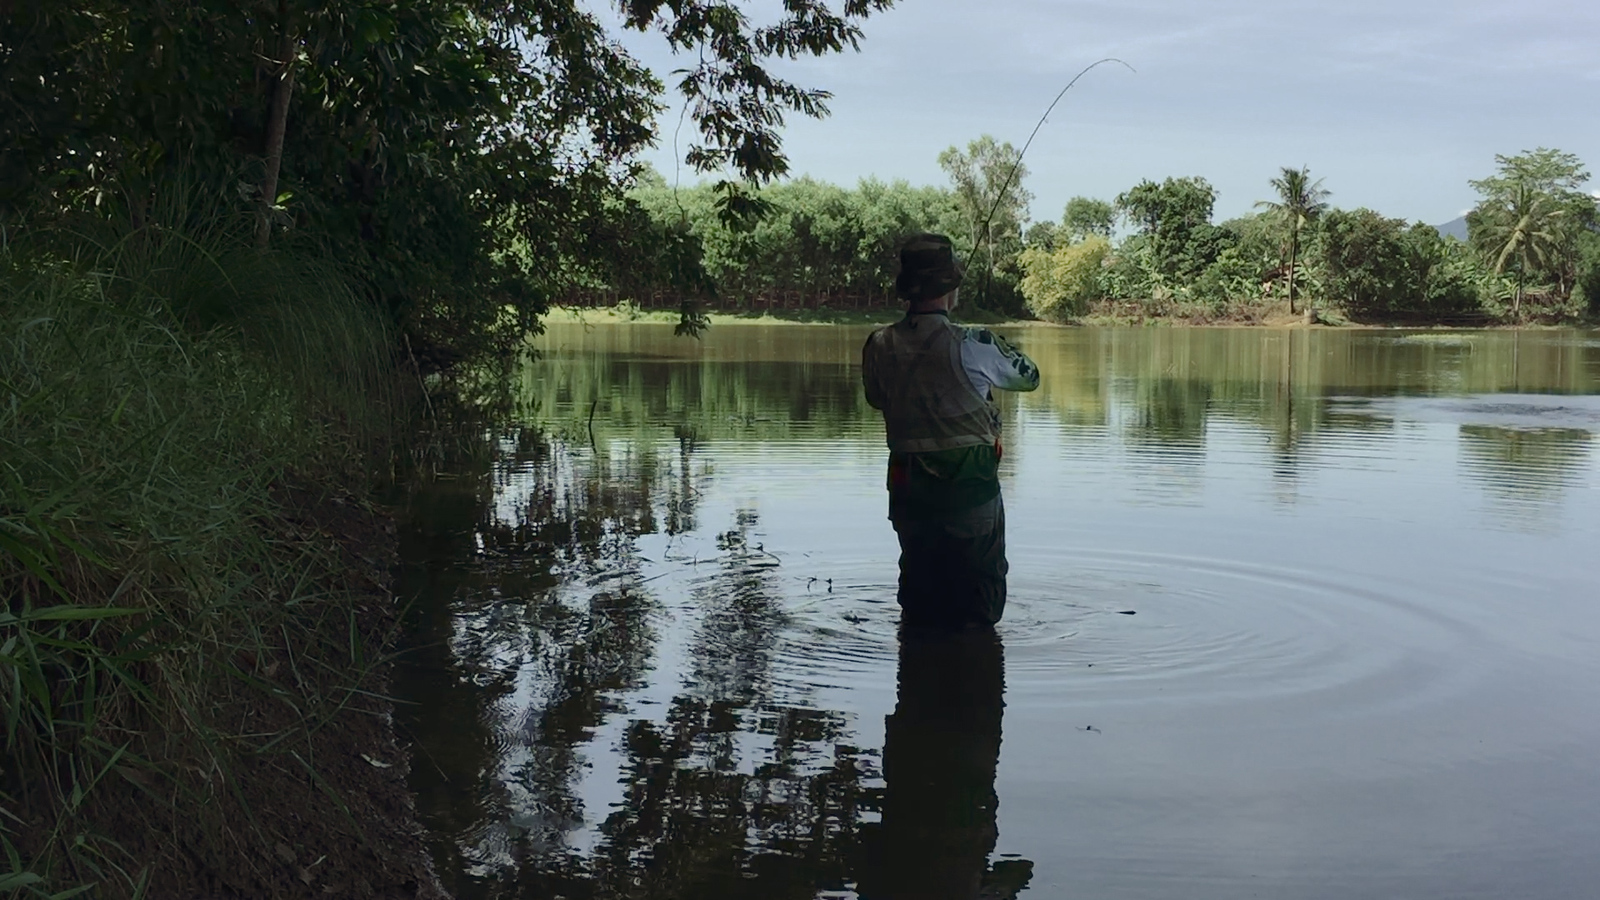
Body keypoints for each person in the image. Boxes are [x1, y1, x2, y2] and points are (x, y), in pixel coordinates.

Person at [862, 233, 1039, 629]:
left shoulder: (878, 344)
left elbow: (877, 399)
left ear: (907, 288)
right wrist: (995, 346)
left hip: (909, 493)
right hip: (969, 490)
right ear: (951, 287)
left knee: (920, 601)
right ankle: (973, 677)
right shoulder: (973, 343)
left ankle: (921, 679)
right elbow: (1030, 378)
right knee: (978, 605)